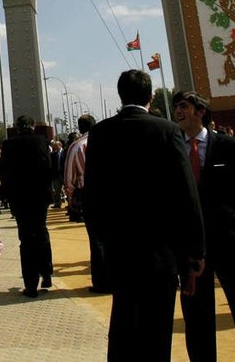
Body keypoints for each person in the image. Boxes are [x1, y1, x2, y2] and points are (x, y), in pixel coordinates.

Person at [84, 70, 205, 361]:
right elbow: (187, 195)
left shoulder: (100, 133)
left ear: (120, 95)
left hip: (119, 250)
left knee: (123, 323)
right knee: (157, 330)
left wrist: (103, 241)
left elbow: (93, 195)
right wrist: (195, 251)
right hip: (160, 253)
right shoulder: (167, 131)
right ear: (151, 96)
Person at [172, 91, 235, 362]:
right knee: (197, 319)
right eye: (175, 107)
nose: (178, 111)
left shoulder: (228, 146)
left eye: (183, 106)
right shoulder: (173, 148)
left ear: (200, 111)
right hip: (192, 249)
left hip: (232, 243)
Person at [0, 114, 54, 297]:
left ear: (17, 127)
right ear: (33, 126)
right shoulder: (42, 141)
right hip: (40, 197)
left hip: (20, 199)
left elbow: (2, 172)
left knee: (26, 239)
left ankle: (30, 285)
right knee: (41, 232)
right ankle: (46, 273)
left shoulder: (8, 145)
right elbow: (49, 168)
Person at [65, 113, 108, 291]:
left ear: (80, 127)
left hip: (89, 193)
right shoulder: (109, 141)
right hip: (112, 193)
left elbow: (69, 177)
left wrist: (71, 194)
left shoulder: (77, 146)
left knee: (96, 239)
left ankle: (102, 282)